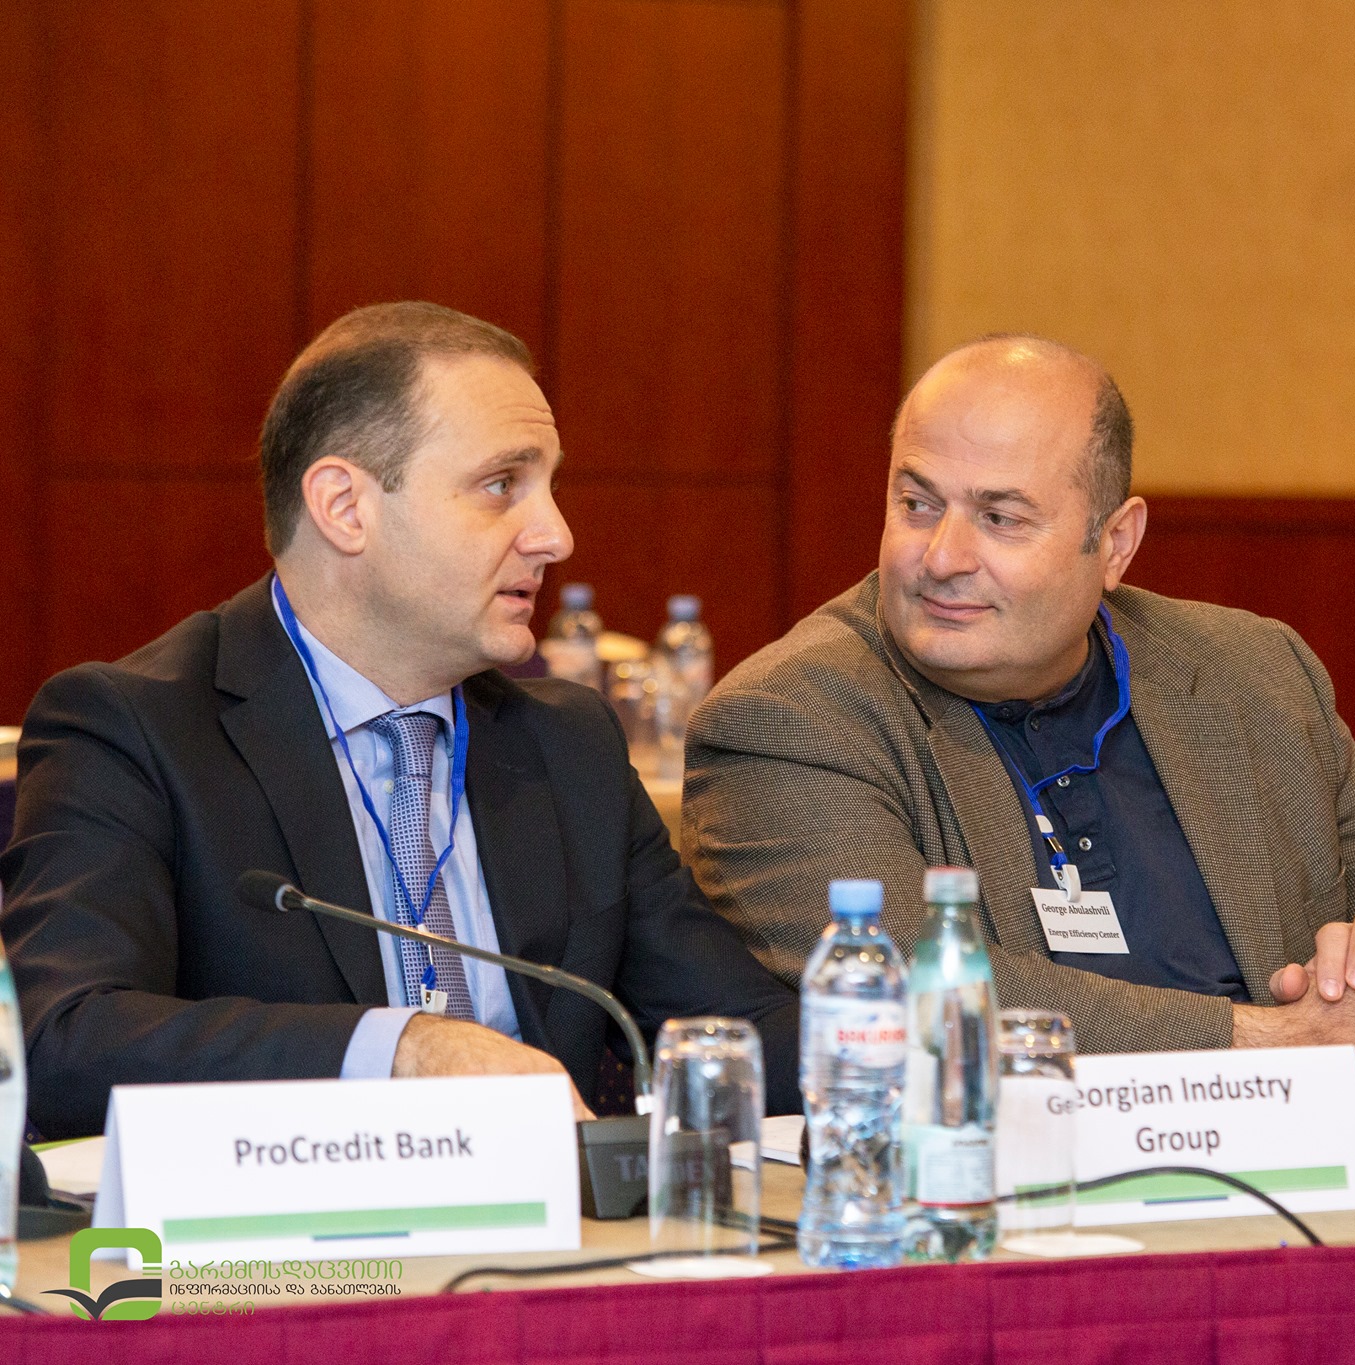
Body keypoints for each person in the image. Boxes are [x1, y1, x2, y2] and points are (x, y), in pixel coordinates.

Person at [2, 302, 800, 1139]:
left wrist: (884, 1045)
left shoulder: (570, 747)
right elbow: (62, 1039)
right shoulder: (134, 729)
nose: (556, 536)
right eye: (502, 485)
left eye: (550, 487)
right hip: (289, 1222)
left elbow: (737, 1030)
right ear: (345, 507)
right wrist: (403, 1050)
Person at [683, 335, 1355, 1071]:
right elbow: (916, 994)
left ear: (1115, 544)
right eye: (917, 504)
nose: (943, 556)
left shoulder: (1258, 674)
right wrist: (1288, 1042)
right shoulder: (788, 721)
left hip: (1315, 1165)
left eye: (1000, 518)